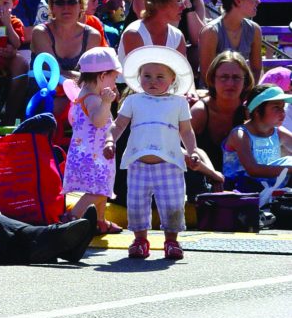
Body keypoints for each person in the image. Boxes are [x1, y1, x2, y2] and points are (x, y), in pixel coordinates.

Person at [104, 46, 199, 261]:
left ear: (172, 78)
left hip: (170, 163)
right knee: (137, 203)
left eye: (159, 76)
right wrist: (110, 140)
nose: (152, 81)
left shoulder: (179, 102)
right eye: (147, 76)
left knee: (172, 203)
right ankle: (139, 240)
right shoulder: (133, 101)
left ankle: (172, 241)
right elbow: (118, 125)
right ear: (139, 77)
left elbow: (186, 130)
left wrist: (192, 151)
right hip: (138, 162)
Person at [62, 48, 122, 234]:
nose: (115, 83)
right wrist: (106, 103)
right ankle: (70, 221)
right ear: (103, 76)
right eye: (114, 78)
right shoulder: (93, 99)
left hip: (88, 153)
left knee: (102, 190)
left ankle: (99, 220)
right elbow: (98, 120)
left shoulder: (83, 93)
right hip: (94, 156)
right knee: (96, 192)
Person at [189, 51, 255, 194]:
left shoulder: (249, 113)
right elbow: (183, 153)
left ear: (246, 81)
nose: (230, 83)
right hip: (201, 179)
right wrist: (212, 175)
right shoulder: (200, 112)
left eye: (236, 77)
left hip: (239, 183)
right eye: (224, 77)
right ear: (213, 80)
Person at [222, 83, 292, 192]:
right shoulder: (240, 134)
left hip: (268, 188)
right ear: (257, 110)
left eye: (283, 107)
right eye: (276, 107)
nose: (282, 112)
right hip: (240, 190)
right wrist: (289, 169)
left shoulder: (278, 132)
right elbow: (253, 170)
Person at [30, 0, 100, 81]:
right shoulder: (41, 32)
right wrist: (82, 78)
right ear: (52, 7)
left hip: (79, 94)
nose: (66, 7)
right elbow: (52, 74)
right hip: (44, 93)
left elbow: (90, 77)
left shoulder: (92, 36)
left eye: (72, 2)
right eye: (60, 2)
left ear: (81, 5)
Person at [199, 0, 263, 81]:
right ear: (238, 1)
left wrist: (247, 93)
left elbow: (256, 70)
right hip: (214, 93)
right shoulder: (211, 32)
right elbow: (207, 76)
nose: (258, 1)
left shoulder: (255, 29)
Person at [118, 0, 188, 65]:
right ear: (161, 3)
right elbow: (136, 75)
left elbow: (180, 74)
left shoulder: (178, 36)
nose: (183, 6)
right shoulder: (134, 34)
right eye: (178, 1)